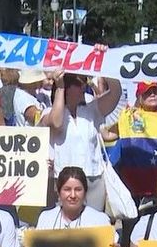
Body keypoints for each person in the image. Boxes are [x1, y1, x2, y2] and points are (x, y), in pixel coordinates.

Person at [43, 58, 122, 212]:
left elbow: (116, 92)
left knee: (94, 225)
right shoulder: (48, 113)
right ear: (67, 87)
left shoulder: (91, 110)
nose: (83, 86)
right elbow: (57, 123)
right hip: (64, 181)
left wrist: (105, 62)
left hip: (94, 179)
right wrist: (59, 87)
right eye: (79, 83)